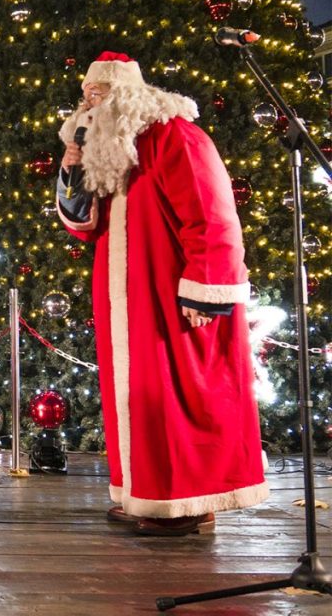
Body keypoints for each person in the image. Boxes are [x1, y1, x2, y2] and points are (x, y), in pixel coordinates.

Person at [56, 51, 269, 536]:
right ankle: (148, 495)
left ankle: (190, 504)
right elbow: (84, 225)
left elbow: (211, 213)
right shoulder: (108, 149)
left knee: (184, 397)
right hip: (126, 296)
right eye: (86, 96)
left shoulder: (175, 135)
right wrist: (72, 175)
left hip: (171, 292)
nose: (90, 105)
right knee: (141, 398)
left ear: (127, 96)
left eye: (99, 95)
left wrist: (206, 291)